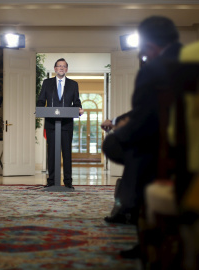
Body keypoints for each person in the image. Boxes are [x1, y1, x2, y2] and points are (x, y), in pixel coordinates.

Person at [101, 16, 182, 259]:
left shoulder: (153, 69)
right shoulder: (197, 59)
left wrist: (117, 130)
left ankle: (132, 211)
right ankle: (128, 207)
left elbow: (144, 121)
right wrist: (122, 121)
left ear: (147, 45)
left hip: (163, 147)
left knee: (122, 145)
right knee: (138, 145)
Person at [37, 58, 83, 189]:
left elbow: (77, 102)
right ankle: (51, 181)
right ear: (55, 69)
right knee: (51, 154)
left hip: (66, 124)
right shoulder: (47, 83)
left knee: (66, 154)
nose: (61, 68)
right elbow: (41, 100)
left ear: (66, 69)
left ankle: (68, 182)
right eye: (59, 66)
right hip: (51, 124)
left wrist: (79, 109)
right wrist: (39, 109)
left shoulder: (73, 84)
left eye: (64, 66)